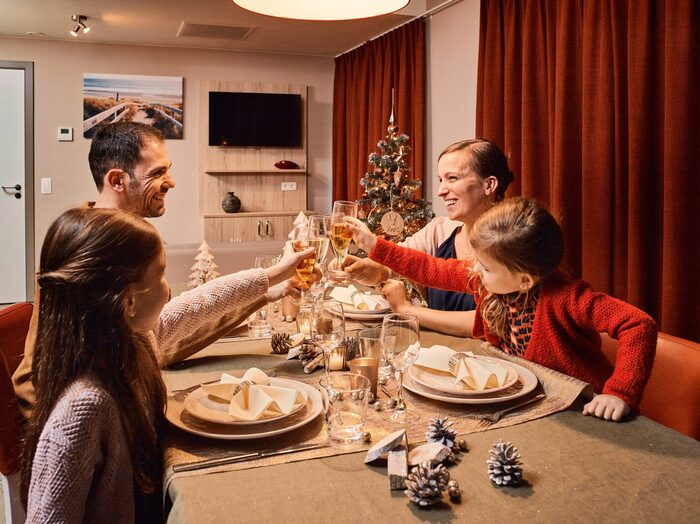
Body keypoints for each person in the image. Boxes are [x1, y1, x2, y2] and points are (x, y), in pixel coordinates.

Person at [21, 207, 311, 521]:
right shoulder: (82, 409)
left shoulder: (133, 339)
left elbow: (199, 305)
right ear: (128, 302)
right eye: (160, 274)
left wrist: (273, 277)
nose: (168, 288)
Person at [13, 122, 295, 418]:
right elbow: (40, 377)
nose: (170, 182)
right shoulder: (85, 248)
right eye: (158, 172)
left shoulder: (125, 237)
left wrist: (268, 288)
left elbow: (158, 334)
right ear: (117, 180)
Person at [345, 197, 657, 421]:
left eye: (485, 267)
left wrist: (618, 393)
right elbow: (432, 269)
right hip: (531, 402)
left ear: (524, 280)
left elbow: (638, 324)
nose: (475, 271)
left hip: (581, 408)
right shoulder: (489, 279)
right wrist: (376, 246)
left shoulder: (567, 298)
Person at [342, 139, 514, 336]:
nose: (441, 191)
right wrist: (363, 268)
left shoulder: (512, 241)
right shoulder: (440, 229)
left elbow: (490, 322)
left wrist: (407, 310)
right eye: (441, 180)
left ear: (489, 184)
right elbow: (395, 266)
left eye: (452, 178)